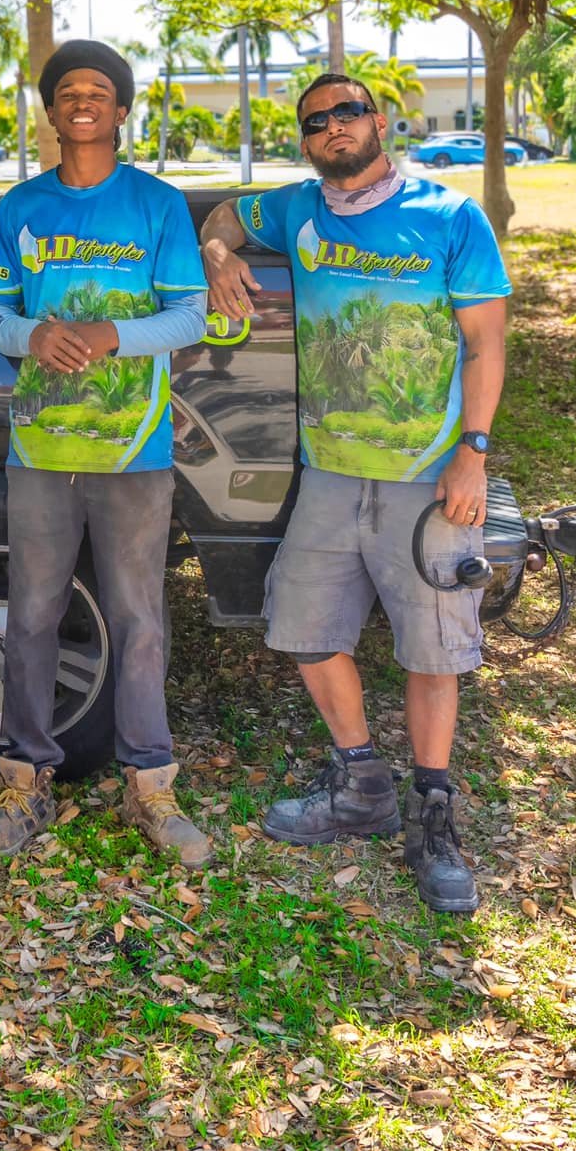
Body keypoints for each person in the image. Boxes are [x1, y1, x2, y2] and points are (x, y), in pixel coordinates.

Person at [198, 72, 510, 913]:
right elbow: (223, 216)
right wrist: (219, 254)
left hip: (427, 473)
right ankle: (361, 782)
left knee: (434, 648)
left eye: (347, 112)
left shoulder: (450, 216)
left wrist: (473, 453)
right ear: (305, 141)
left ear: (378, 121)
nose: (333, 127)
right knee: (304, 627)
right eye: (315, 121)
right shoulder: (297, 208)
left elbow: (485, 343)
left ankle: (434, 816)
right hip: (329, 473)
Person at [0, 40, 212, 864]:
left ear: (121, 110)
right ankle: (25, 782)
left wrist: (112, 333)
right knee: (32, 616)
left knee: (139, 619)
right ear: (51, 111)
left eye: (98, 92)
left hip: (135, 451)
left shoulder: (157, 204)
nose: (82, 102)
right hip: (39, 450)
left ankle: (151, 787)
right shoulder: (21, 206)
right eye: (68, 91)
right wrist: (30, 333)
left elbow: (190, 315)